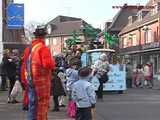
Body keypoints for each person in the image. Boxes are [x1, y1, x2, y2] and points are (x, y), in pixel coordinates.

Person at [21, 26, 55, 120]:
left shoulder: (30, 48)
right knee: (42, 104)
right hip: (41, 82)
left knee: (32, 105)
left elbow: (24, 63)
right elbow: (48, 64)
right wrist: (53, 62)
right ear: (44, 37)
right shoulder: (43, 48)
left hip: (30, 79)